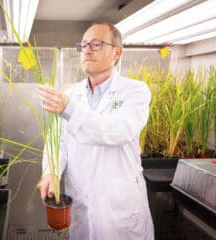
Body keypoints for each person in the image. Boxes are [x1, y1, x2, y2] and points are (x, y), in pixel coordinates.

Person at [37, 22, 154, 240]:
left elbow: (119, 130)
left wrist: (69, 109)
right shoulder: (71, 94)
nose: (87, 49)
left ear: (117, 52)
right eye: (83, 45)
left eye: (96, 44)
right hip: (81, 200)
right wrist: (50, 172)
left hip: (119, 207)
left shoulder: (135, 91)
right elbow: (57, 141)